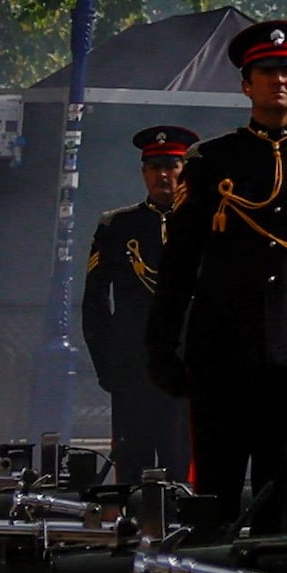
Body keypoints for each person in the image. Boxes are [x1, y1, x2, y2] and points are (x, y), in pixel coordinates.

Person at [144, 19, 287, 539]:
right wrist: (162, 344)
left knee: (280, 485)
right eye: (265, 72)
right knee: (214, 489)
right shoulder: (211, 161)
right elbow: (180, 261)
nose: (278, 80)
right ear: (246, 85)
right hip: (222, 346)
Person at [79, 126, 196, 488]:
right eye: (155, 166)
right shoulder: (118, 226)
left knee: (183, 465)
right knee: (131, 467)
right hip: (134, 366)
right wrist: (106, 363)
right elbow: (95, 302)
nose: (164, 175)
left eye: (172, 166)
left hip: (186, 365)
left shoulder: (205, 224)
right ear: (144, 172)